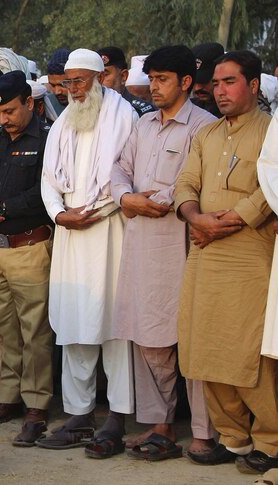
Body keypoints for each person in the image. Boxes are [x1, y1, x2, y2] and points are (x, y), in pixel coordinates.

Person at [109, 45, 218, 461]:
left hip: (182, 244)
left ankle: (205, 432)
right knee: (146, 333)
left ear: (186, 82)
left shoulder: (203, 127)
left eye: (162, 80)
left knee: (190, 338)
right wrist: (126, 197)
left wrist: (164, 198)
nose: (154, 87)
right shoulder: (143, 125)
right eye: (151, 79)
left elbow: (199, 181)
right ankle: (160, 425)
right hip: (141, 243)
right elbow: (120, 167)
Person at [176, 50, 278, 474]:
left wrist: (233, 219)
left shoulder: (271, 131)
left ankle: (270, 442)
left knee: (248, 350)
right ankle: (233, 438)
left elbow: (272, 187)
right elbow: (185, 181)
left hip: (250, 252)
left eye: (229, 82)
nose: (219, 91)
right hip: (204, 249)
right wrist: (195, 216)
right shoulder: (207, 134)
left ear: (253, 86)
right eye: (215, 83)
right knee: (205, 344)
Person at [35, 49, 138, 458]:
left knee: (113, 325)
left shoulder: (123, 115)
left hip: (109, 229)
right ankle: (79, 414)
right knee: (75, 322)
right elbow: (48, 178)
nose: (72, 90)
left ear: (100, 79)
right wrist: (61, 214)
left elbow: (124, 177)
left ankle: (117, 416)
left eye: (80, 81)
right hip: (71, 232)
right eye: (67, 83)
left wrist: (89, 213)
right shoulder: (63, 120)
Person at [0, 71, 54, 445]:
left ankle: (37, 403)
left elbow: (45, 191)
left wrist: (1, 206)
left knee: (34, 330)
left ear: (30, 104)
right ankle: (7, 396)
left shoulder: (47, 141)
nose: (4, 119)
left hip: (29, 247)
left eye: (12, 111)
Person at [97, 47, 155, 117]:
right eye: (95, 76)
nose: (98, 81)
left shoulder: (142, 113)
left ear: (123, 76)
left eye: (105, 75)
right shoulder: (89, 109)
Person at [191, 42, 224, 118]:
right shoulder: (187, 109)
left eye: (203, 81)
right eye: (194, 82)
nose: (197, 88)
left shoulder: (235, 113)